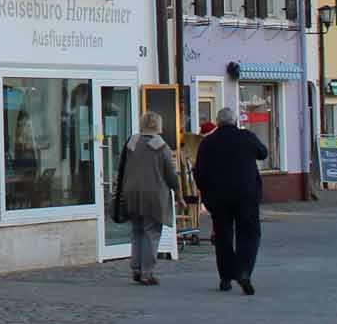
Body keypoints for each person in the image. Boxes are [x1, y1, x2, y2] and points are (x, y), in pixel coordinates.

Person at [192, 105, 267, 295]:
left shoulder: (208, 143)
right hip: (246, 194)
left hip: (218, 196)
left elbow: (198, 172)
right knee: (249, 233)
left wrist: (205, 192)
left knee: (223, 236)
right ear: (235, 121)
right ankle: (243, 271)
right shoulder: (247, 137)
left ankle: (226, 277)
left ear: (218, 122)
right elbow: (263, 153)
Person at [113, 112, 178, 285]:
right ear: (158, 126)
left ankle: (135, 267)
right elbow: (170, 174)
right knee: (151, 232)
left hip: (131, 192)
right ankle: (147, 272)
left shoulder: (131, 143)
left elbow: (121, 167)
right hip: (153, 195)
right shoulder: (161, 147)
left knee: (136, 231)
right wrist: (178, 190)